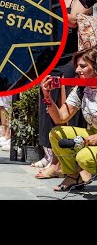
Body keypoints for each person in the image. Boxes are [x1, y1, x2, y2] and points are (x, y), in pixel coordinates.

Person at [34, 0, 89, 179]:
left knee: (66, 108)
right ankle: (52, 157)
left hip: (71, 59)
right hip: (51, 58)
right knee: (47, 106)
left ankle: (68, 163)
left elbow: (75, 19)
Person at [41, 47, 97, 191]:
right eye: (77, 66)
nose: (77, 70)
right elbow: (61, 118)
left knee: (84, 158)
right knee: (57, 133)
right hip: (93, 134)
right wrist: (47, 96)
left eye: (83, 66)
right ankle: (73, 176)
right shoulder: (81, 88)